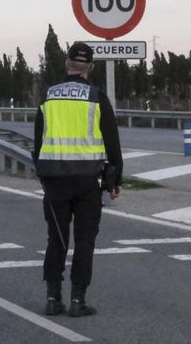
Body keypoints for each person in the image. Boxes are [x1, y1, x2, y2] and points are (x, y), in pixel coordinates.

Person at [32, 41, 123, 317]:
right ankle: (77, 301)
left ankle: (52, 299)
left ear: (66, 65)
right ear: (91, 68)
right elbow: (112, 142)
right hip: (87, 180)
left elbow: (38, 141)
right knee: (85, 240)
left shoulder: (48, 96)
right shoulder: (97, 97)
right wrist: (114, 179)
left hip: (55, 179)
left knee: (56, 239)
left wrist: (43, 172)